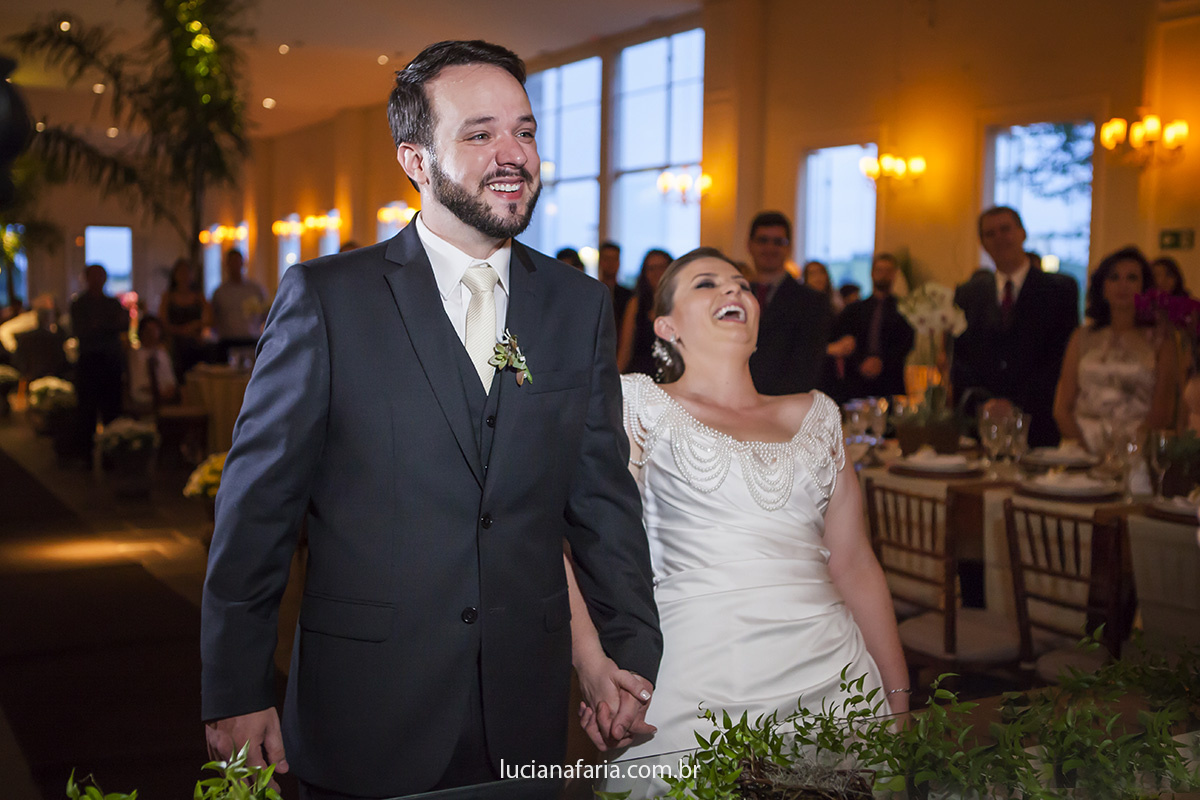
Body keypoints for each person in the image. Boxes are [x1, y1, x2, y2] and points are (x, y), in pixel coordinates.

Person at [200, 40, 661, 800]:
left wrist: (629, 651)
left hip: (525, 709)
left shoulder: (575, 306)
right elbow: (257, 512)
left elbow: (602, 502)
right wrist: (235, 688)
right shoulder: (328, 300)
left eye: (524, 131)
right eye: (480, 134)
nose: (513, 154)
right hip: (368, 707)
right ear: (415, 161)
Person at [570, 248, 908, 796]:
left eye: (742, 285)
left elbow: (855, 566)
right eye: (707, 283)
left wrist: (898, 701)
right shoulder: (634, 405)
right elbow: (564, 545)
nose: (734, 290)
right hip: (693, 689)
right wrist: (592, 667)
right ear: (666, 327)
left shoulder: (817, 415)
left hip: (838, 684)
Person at [952, 206, 1078, 448]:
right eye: (990, 234)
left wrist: (1017, 404)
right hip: (983, 425)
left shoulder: (1059, 290)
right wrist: (984, 405)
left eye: (1005, 229)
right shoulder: (968, 294)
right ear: (982, 243)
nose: (999, 238)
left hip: (1039, 423)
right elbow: (962, 357)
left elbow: (1061, 358)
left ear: (1022, 233)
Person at [1053, 247, 1177, 459]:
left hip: (1137, 450)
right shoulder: (1082, 337)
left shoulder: (1160, 340)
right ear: (1102, 287)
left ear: (1144, 287)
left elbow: (1163, 410)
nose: (1123, 285)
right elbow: (1062, 408)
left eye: (1132, 278)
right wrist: (1086, 451)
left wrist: (1127, 451)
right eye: (1114, 277)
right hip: (1081, 449)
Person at [746, 211, 834, 395]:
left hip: (784, 403)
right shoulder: (736, 296)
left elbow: (807, 368)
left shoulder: (812, 302)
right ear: (750, 245)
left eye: (779, 242)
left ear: (789, 248)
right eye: (763, 240)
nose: (770, 248)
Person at [830, 253, 914, 400]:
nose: (883, 275)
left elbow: (906, 343)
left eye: (888, 271)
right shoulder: (854, 310)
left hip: (890, 382)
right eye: (880, 270)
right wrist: (861, 362)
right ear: (872, 273)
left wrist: (882, 363)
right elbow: (842, 339)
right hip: (856, 383)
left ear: (894, 274)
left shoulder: (904, 311)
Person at [69, 264, 129, 455]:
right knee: (87, 410)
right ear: (86, 278)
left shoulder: (112, 303)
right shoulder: (79, 304)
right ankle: (86, 455)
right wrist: (107, 325)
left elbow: (123, 324)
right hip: (89, 362)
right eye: (93, 276)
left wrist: (99, 325)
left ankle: (112, 453)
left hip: (110, 362)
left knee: (112, 408)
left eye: (100, 275)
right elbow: (82, 330)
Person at [617, 248, 673, 375]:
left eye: (661, 267)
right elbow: (625, 350)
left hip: (673, 377)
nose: (657, 273)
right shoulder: (636, 304)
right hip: (641, 376)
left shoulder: (681, 303)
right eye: (651, 268)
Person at [209, 249, 266, 363]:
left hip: (251, 341)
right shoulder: (220, 292)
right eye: (232, 262)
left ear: (243, 263)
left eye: (237, 261)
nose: (235, 265)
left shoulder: (255, 289)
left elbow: (266, 313)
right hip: (227, 342)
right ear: (227, 265)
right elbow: (213, 317)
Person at [159, 257, 211, 381]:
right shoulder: (168, 297)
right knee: (179, 377)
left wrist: (196, 325)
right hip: (175, 344)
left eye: (187, 272)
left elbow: (211, 319)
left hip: (195, 342)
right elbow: (162, 322)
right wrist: (180, 330)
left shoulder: (198, 296)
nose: (184, 276)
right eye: (181, 272)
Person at [127, 315, 178, 414]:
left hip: (166, 400)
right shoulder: (136, 355)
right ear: (141, 332)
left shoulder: (162, 354)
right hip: (144, 400)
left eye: (155, 330)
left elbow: (171, 381)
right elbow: (138, 384)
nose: (152, 333)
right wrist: (158, 393)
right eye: (148, 330)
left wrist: (168, 392)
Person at [598, 240, 634, 327]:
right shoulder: (593, 292)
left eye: (614, 259)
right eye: (607, 259)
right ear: (600, 262)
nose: (610, 263)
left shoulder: (628, 296)